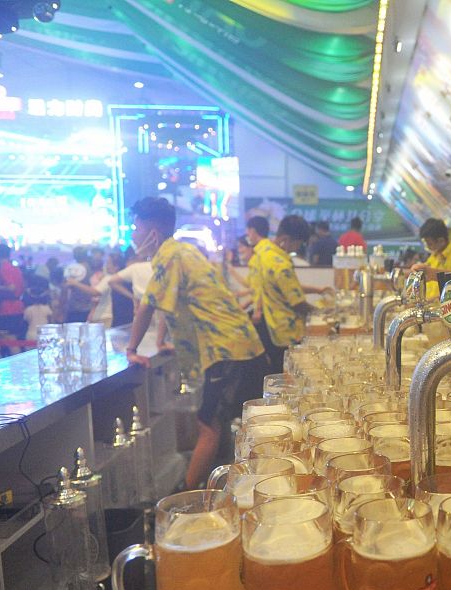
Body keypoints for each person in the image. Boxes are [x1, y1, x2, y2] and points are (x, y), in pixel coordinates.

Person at [124, 197, 267, 490]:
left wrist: (131, 350)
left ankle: (189, 498)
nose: (133, 235)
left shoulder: (169, 255)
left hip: (228, 349)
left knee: (209, 424)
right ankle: (225, 488)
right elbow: (171, 302)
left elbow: (148, 305)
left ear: (153, 231)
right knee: (225, 423)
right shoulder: (181, 251)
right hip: (236, 346)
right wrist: (161, 340)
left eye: (136, 228)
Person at [248, 214, 318, 374]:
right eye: (298, 244)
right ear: (286, 239)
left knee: (276, 374)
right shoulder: (280, 264)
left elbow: (262, 287)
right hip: (287, 332)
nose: (297, 249)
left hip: (269, 327)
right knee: (290, 377)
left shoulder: (262, 252)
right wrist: (322, 314)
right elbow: (297, 303)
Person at [0, 244, 26, 339]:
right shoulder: (15, 268)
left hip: (8, 308)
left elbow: (11, 287)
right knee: (14, 337)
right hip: (18, 306)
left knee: (8, 338)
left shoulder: (4, 267)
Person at [62, 246, 92, 323]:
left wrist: (61, 306)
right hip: (88, 306)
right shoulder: (91, 268)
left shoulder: (71, 269)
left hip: (76, 307)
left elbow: (65, 288)